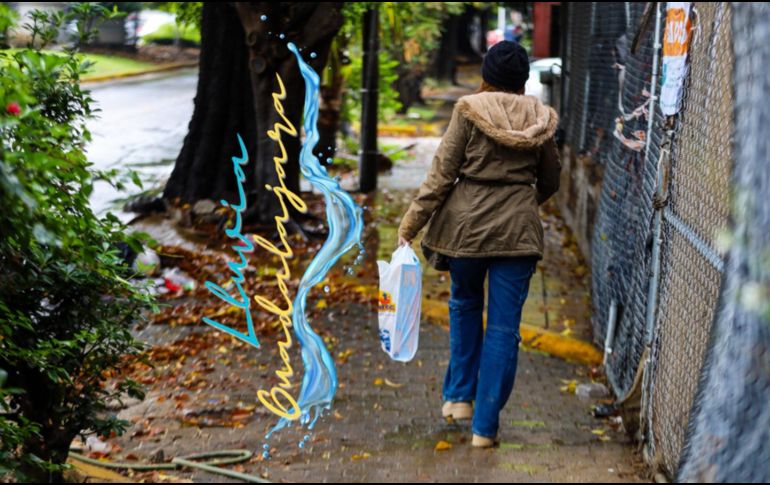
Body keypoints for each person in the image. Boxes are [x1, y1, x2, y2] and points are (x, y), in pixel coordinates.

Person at [397, 41, 561, 448]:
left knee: (465, 303)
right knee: (504, 329)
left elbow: (440, 176)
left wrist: (410, 225)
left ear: (485, 75)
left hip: (466, 232)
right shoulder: (540, 119)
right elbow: (552, 179)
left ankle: (458, 398)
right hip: (518, 235)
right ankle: (484, 429)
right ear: (523, 80)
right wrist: (520, 203)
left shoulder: (468, 110)